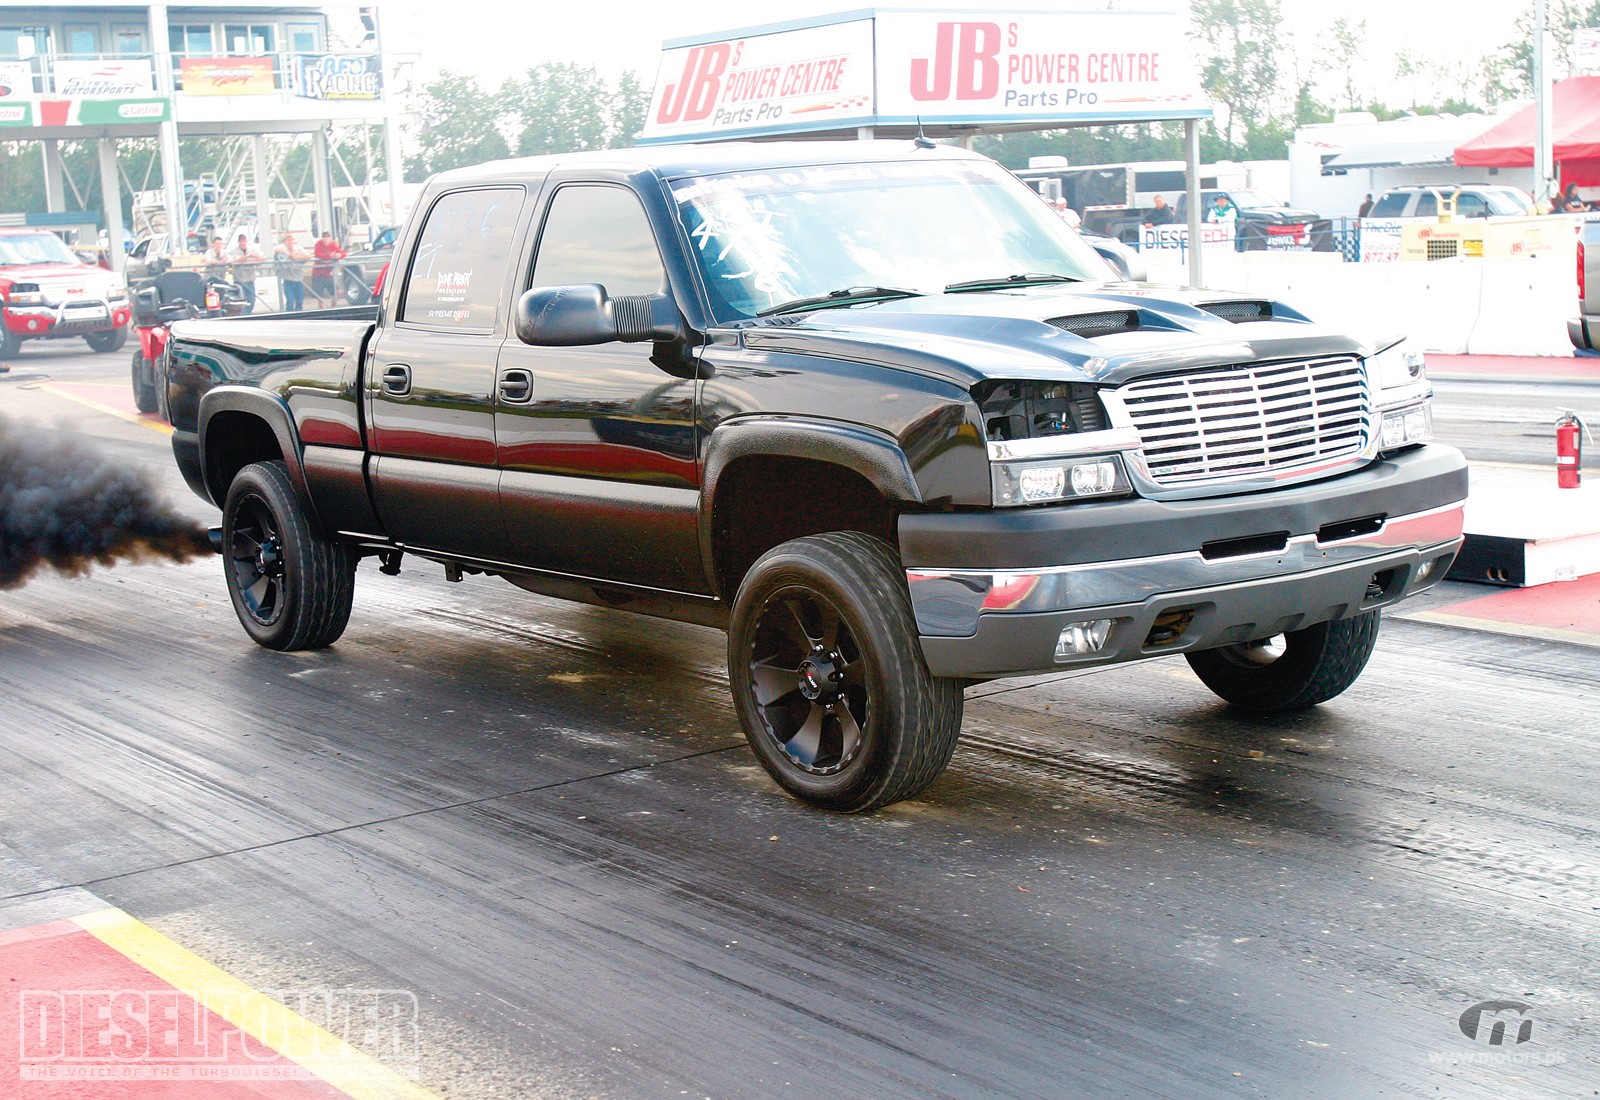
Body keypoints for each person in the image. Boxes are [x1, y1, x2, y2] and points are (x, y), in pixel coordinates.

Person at [228, 233, 264, 314]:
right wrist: (247, 257)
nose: (243, 243)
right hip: (239, 280)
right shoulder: (234, 251)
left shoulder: (252, 250)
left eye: (244, 241)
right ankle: (244, 316)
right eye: (241, 241)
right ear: (238, 242)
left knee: (251, 300)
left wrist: (252, 259)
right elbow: (233, 260)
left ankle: (248, 313)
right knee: (242, 301)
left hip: (250, 279)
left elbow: (262, 257)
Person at [274, 232, 311, 312]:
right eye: (288, 240)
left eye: (291, 240)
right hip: (288, 280)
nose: (290, 242)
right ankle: (289, 316)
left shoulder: (298, 248)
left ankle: (299, 316)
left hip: (299, 278)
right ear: (285, 241)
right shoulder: (282, 248)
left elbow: (308, 256)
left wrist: (296, 257)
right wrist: (288, 254)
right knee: (290, 301)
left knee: (299, 300)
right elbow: (276, 249)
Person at [311, 230, 347, 308]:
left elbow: (343, 253)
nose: (326, 238)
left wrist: (339, 255)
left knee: (338, 292)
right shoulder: (318, 244)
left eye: (328, 236)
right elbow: (317, 254)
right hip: (317, 274)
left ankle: (332, 307)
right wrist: (329, 255)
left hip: (327, 274)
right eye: (324, 236)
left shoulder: (332, 245)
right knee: (319, 296)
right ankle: (322, 311)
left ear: (330, 237)